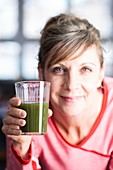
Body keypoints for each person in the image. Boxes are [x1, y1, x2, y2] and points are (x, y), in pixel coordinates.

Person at [2, 13, 113, 170]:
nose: (71, 84)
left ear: (101, 73)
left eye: (86, 69)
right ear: (41, 73)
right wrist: (21, 149)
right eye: (59, 69)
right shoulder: (24, 114)